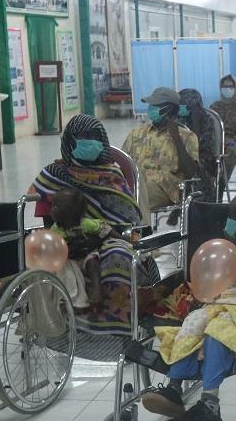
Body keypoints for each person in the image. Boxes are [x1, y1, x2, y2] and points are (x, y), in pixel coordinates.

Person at [145, 191, 236, 421]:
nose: (231, 221)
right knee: (193, 322)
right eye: (230, 215)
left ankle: (210, 404)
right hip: (221, 300)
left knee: (217, 331)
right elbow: (210, 278)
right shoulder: (223, 244)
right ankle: (174, 388)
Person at [32, 115, 151, 335]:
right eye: (83, 136)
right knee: (38, 261)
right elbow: (48, 224)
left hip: (107, 236)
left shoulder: (112, 174)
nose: (90, 141)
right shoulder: (53, 176)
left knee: (118, 256)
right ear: (70, 141)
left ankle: (117, 328)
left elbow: (125, 223)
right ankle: (56, 323)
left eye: (95, 136)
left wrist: (94, 241)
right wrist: (66, 245)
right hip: (63, 239)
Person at [121, 87, 202, 213]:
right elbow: (123, 162)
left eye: (155, 105)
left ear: (169, 109)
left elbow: (191, 173)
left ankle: (137, 224)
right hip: (135, 183)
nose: (151, 108)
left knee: (137, 198)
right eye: (151, 105)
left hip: (165, 189)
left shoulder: (187, 137)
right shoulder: (137, 133)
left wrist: (177, 139)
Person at [50, 188, 110, 310]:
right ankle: (73, 300)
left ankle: (97, 289)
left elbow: (105, 228)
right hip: (69, 259)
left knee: (92, 263)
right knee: (65, 271)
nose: (51, 209)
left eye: (55, 206)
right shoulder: (55, 229)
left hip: (86, 254)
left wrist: (124, 239)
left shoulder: (85, 224)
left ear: (68, 212)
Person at [176, 88, 219, 201]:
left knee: (193, 169)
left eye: (183, 104)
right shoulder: (178, 118)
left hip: (202, 157)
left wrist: (196, 123)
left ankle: (199, 202)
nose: (180, 107)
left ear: (193, 106)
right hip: (180, 155)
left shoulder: (206, 120)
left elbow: (202, 146)